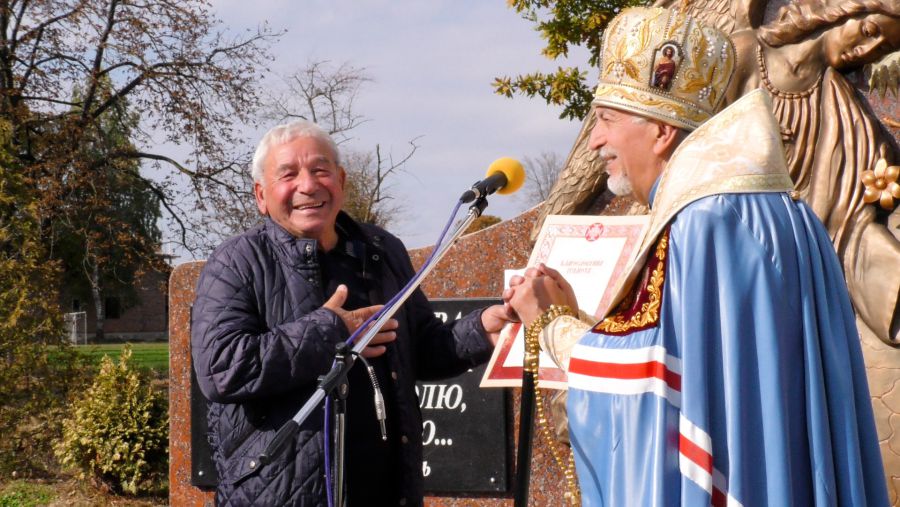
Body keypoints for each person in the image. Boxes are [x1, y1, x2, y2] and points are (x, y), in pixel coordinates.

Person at [505, 6, 889, 506]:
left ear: (662, 132)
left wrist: (550, 323)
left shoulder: (702, 222)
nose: (596, 140)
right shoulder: (785, 211)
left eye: (606, 120)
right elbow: (700, 359)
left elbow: (652, 385)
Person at [191, 119, 515, 506]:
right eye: (288, 174)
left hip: (383, 490)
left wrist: (482, 330)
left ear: (341, 180)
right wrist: (331, 332)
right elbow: (220, 369)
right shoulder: (236, 262)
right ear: (261, 195)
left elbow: (422, 347)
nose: (308, 185)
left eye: (320, 170)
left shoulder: (382, 250)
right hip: (278, 495)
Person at [726, 0, 900, 344]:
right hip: (732, 252)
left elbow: (851, 224)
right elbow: (693, 150)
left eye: (885, 49)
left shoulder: (852, 117)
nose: (867, 51)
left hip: (796, 273)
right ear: (837, 9)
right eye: (868, 31)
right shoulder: (742, 53)